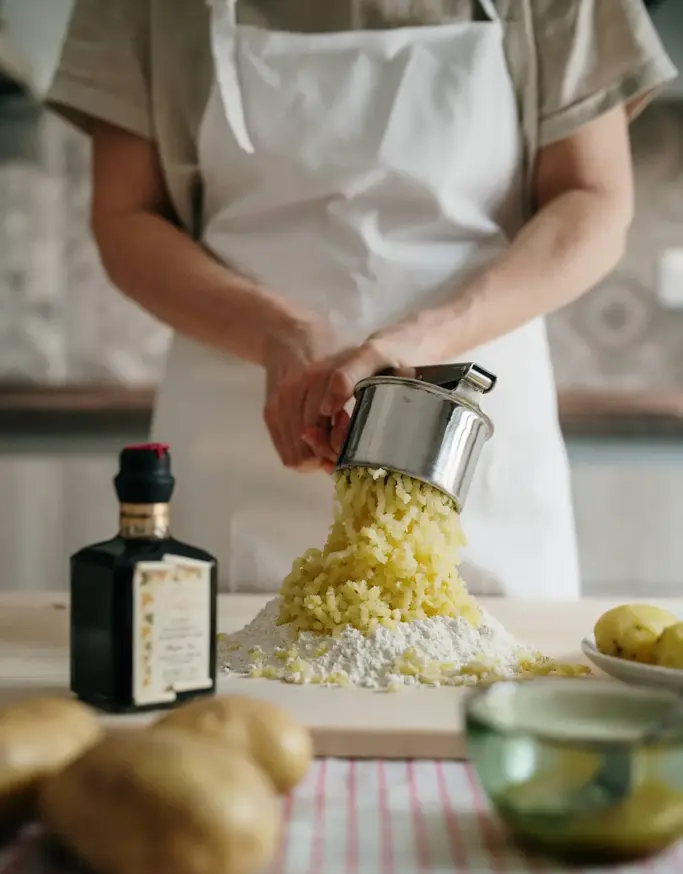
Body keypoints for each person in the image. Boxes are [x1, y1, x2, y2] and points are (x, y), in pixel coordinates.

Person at [48, 0, 676, 596]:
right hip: (240, 436)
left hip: (469, 449)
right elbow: (126, 218)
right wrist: (279, 334)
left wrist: (422, 339)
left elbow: (593, 199)